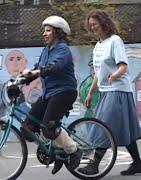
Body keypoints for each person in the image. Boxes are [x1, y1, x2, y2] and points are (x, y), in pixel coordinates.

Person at [77, 10, 141, 176]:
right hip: (106, 91)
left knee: (104, 125)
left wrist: (114, 75)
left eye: (95, 24)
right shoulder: (98, 46)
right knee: (123, 128)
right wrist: (91, 93)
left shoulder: (115, 41)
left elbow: (123, 66)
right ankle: (138, 163)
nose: (93, 27)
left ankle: (94, 165)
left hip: (118, 90)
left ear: (104, 23)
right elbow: (98, 73)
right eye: (90, 25)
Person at [20, 15, 82, 175]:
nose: (44, 33)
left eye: (48, 31)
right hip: (49, 94)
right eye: (44, 30)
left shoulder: (63, 50)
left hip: (64, 92)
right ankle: (58, 151)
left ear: (57, 32)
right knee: (27, 128)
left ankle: (74, 150)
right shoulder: (46, 50)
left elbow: (54, 67)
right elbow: (38, 68)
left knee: (48, 127)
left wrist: (35, 72)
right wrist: (20, 80)